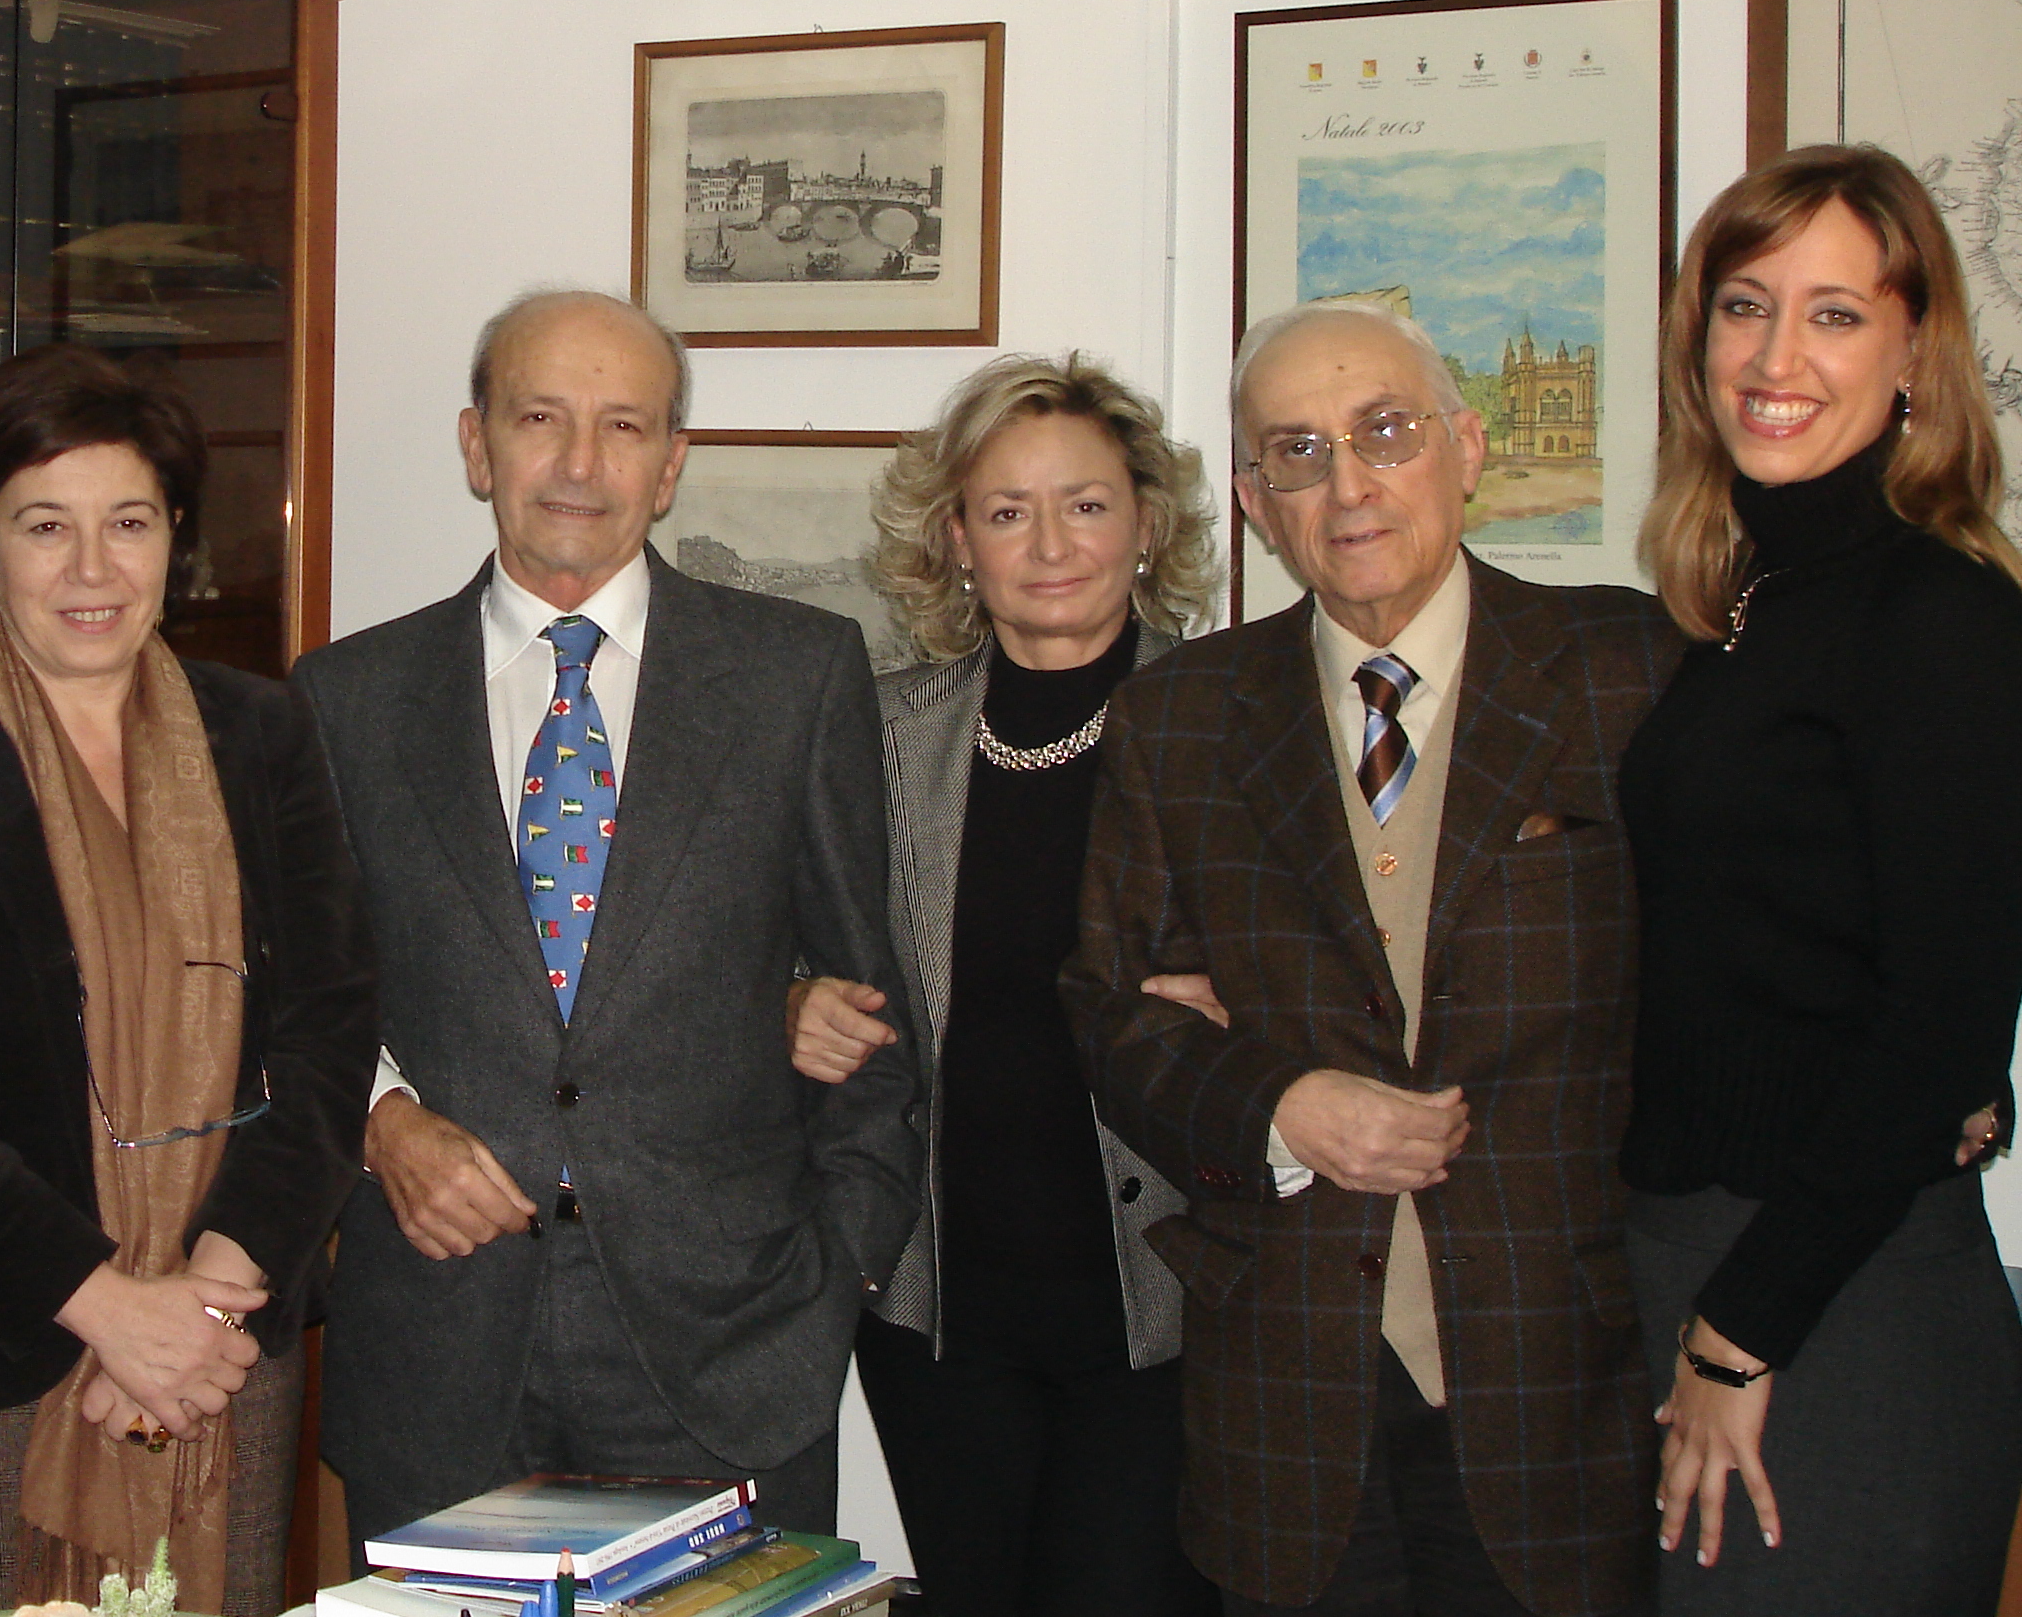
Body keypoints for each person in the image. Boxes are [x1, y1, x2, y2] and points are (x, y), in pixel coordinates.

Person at [1062, 297, 1684, 1617]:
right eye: (1296, 453)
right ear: (1253, 498)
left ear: (1465, 448)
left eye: (1384, 432)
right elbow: (1114, 1021)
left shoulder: (1624, 674)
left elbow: (1733, 966)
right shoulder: (1176, 718)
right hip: (1289, 1401)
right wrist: (1278, 1103)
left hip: (1565, 1376)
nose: (1345, 484)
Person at [291, 288, 922, 1551]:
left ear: (672, 463)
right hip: (441, 1343)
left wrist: (835, 1281)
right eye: (541, 417)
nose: (581, 464)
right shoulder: (344, 695)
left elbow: (872, 1014)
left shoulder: (798, 676)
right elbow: (297, 991)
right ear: (477, 445)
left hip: (730, 1352)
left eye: (624, 425)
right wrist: (379, 1119)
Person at [0, 344, 373, 1617]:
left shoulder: (262, 732)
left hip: (222, 1363)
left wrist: (205, 1303)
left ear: (177, 541)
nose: (94, 569)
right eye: (48, 525)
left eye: (130, 523)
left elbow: (328, 1035)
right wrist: (106, 1306)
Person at [1616, 144, 2022, 1611]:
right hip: (1707, 1268)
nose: (1776, 357)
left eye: (1836, 314)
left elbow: (1943, 1021)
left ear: (1918, 347)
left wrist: (1740, 1336)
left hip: (1826, 1304)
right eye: (1744, 306)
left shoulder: (1939, 615)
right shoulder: (1745, 608)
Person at [786, 354, 1219, 1616]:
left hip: (1165, 1306)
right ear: (957, 538)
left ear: (1145, 523)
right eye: (1006, 509)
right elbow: (768, 935)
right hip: (938, 1316)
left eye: (1085, 503)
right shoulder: (878, 729)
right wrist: (788, 1001)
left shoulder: (1230, 713)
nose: (1050, 543)